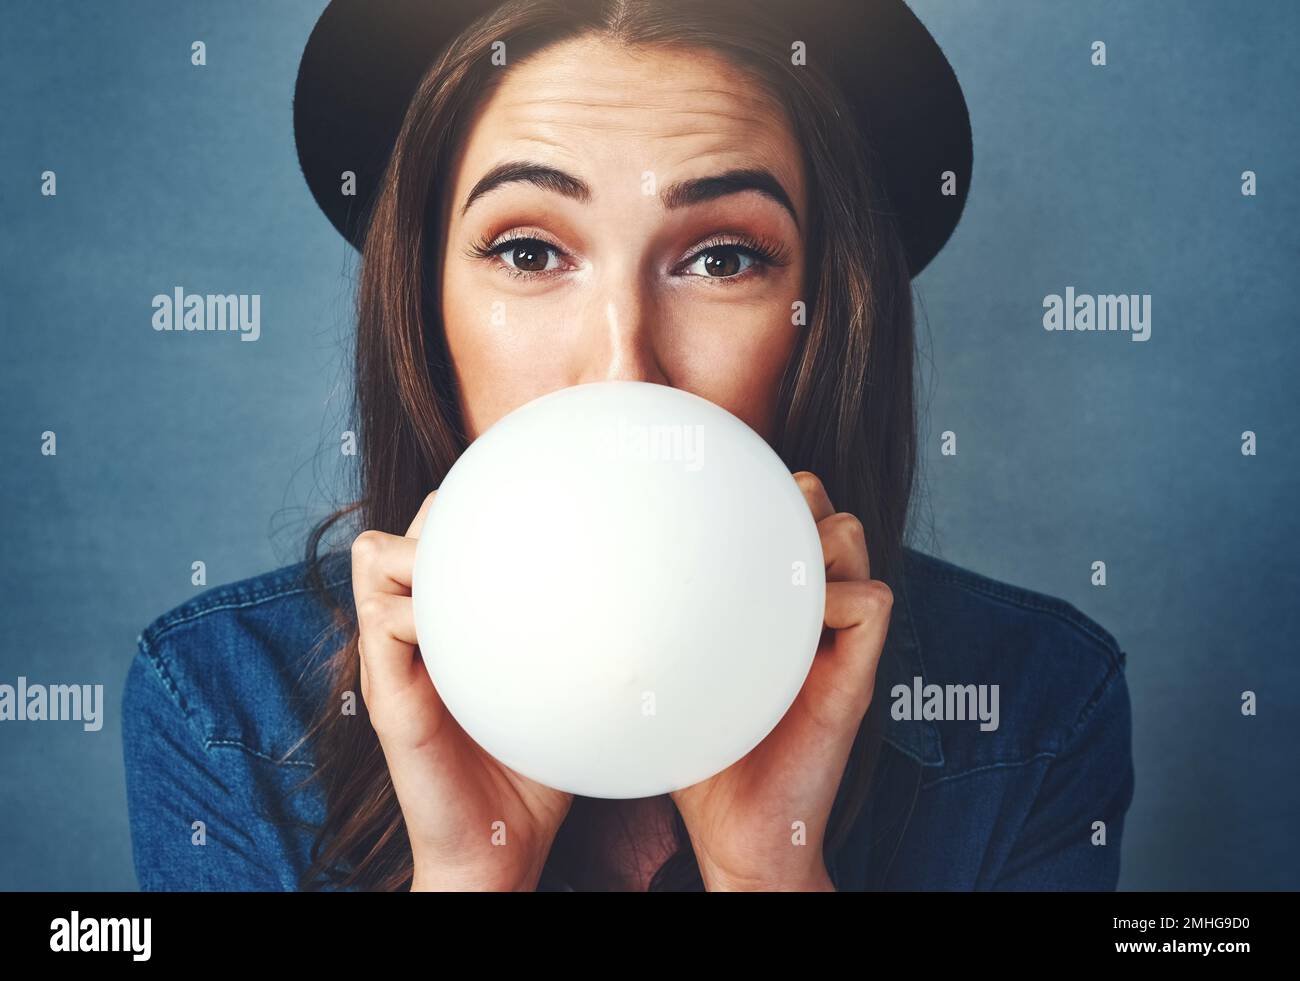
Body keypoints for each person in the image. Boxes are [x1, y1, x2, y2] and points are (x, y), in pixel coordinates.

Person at [122, 0, 1134, 891]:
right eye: (529, 251)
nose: (623, 366)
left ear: (822, 316)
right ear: (425, 307)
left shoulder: (1033, 708)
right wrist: (473, 871)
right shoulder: (223, 706)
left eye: (721, 258)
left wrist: (767, 871)